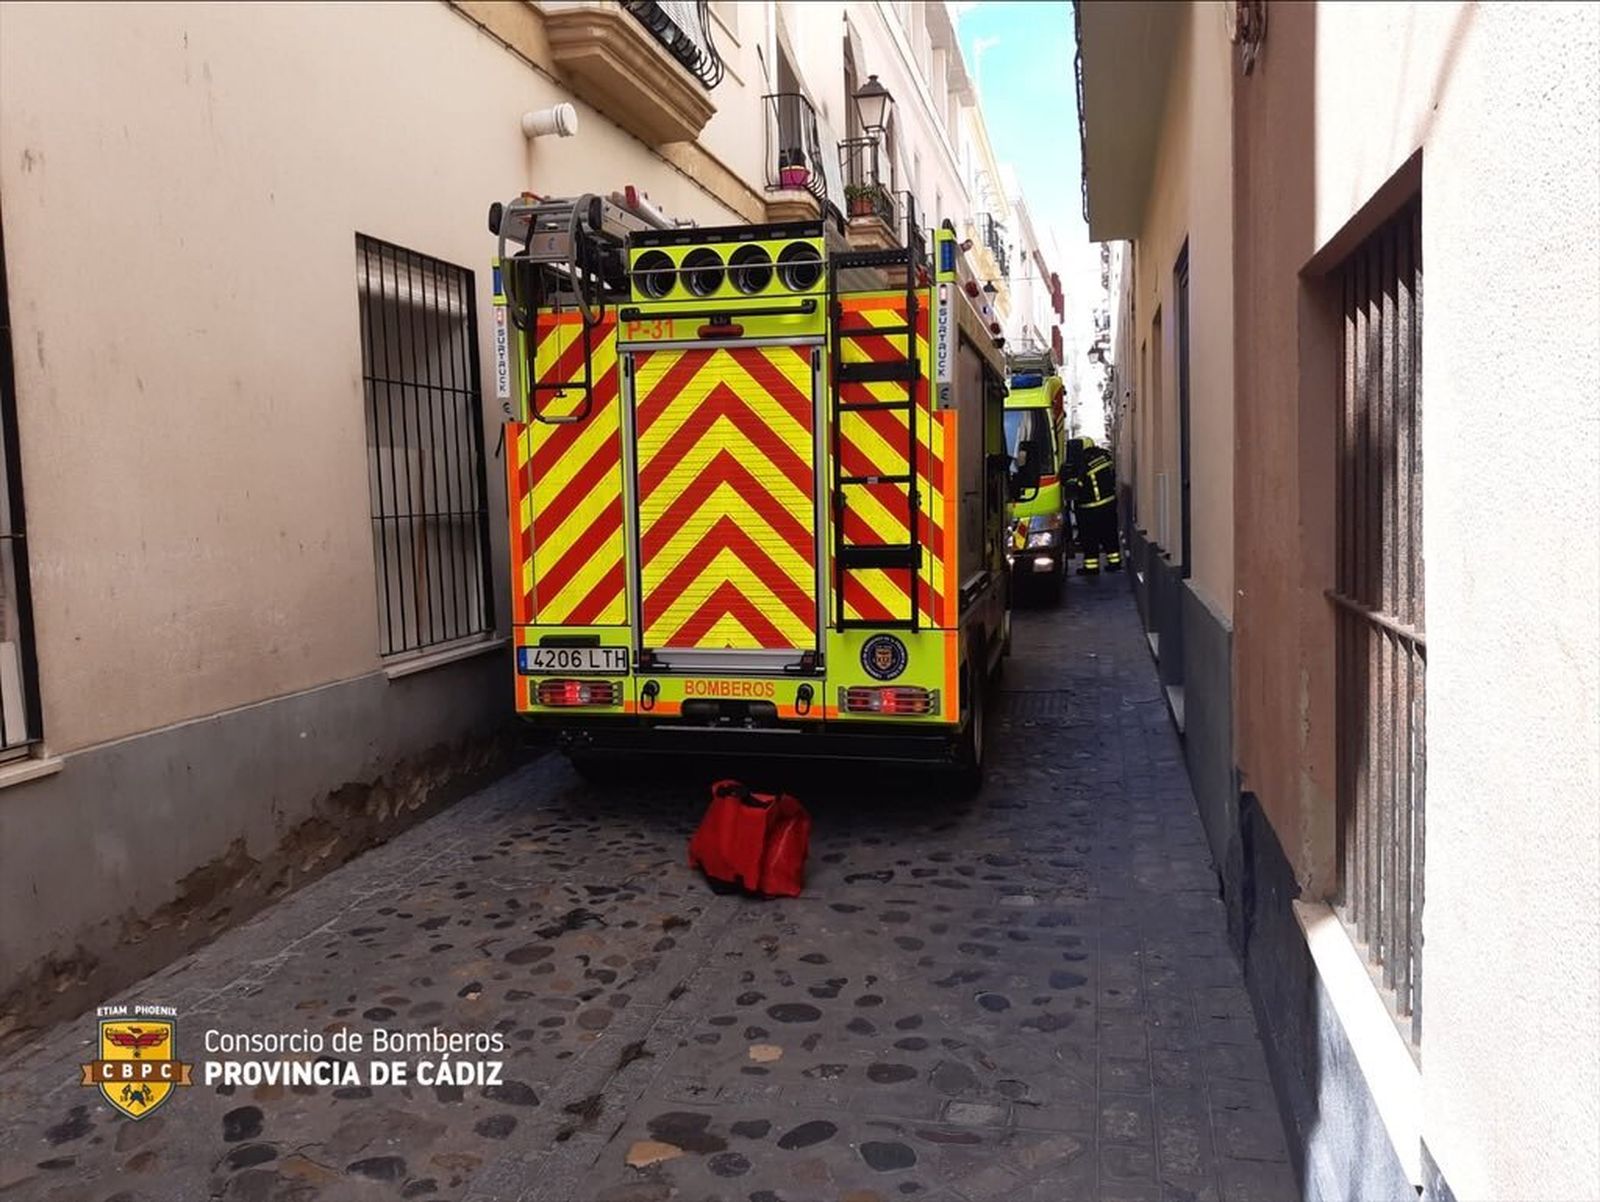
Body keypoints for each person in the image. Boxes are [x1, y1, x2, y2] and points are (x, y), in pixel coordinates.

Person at [1065, 436, 1122, 574]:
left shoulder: (1084, 466)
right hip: (1108, 506)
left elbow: (1077, 487)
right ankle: (1115, 563)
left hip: (1089, 510)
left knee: (1089, 540)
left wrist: (1067, 478)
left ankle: (1092, 568)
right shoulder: (1104, 458)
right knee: (1110, 536)